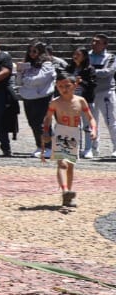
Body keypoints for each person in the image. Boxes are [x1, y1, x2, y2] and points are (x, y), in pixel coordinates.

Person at [45, 72, 95, 208]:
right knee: (62, 164)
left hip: (74, 133)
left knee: (70, 166)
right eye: (60, 86)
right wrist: (45, 131)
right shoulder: (55, 102)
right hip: (61, 132)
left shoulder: (80, 100)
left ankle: (67, 196)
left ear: (75, 85)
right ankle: (65, 190)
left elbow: (90, 117)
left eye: (67, 85)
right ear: (56, 86)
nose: (64, 89)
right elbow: (48, 118)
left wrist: (94, 129)